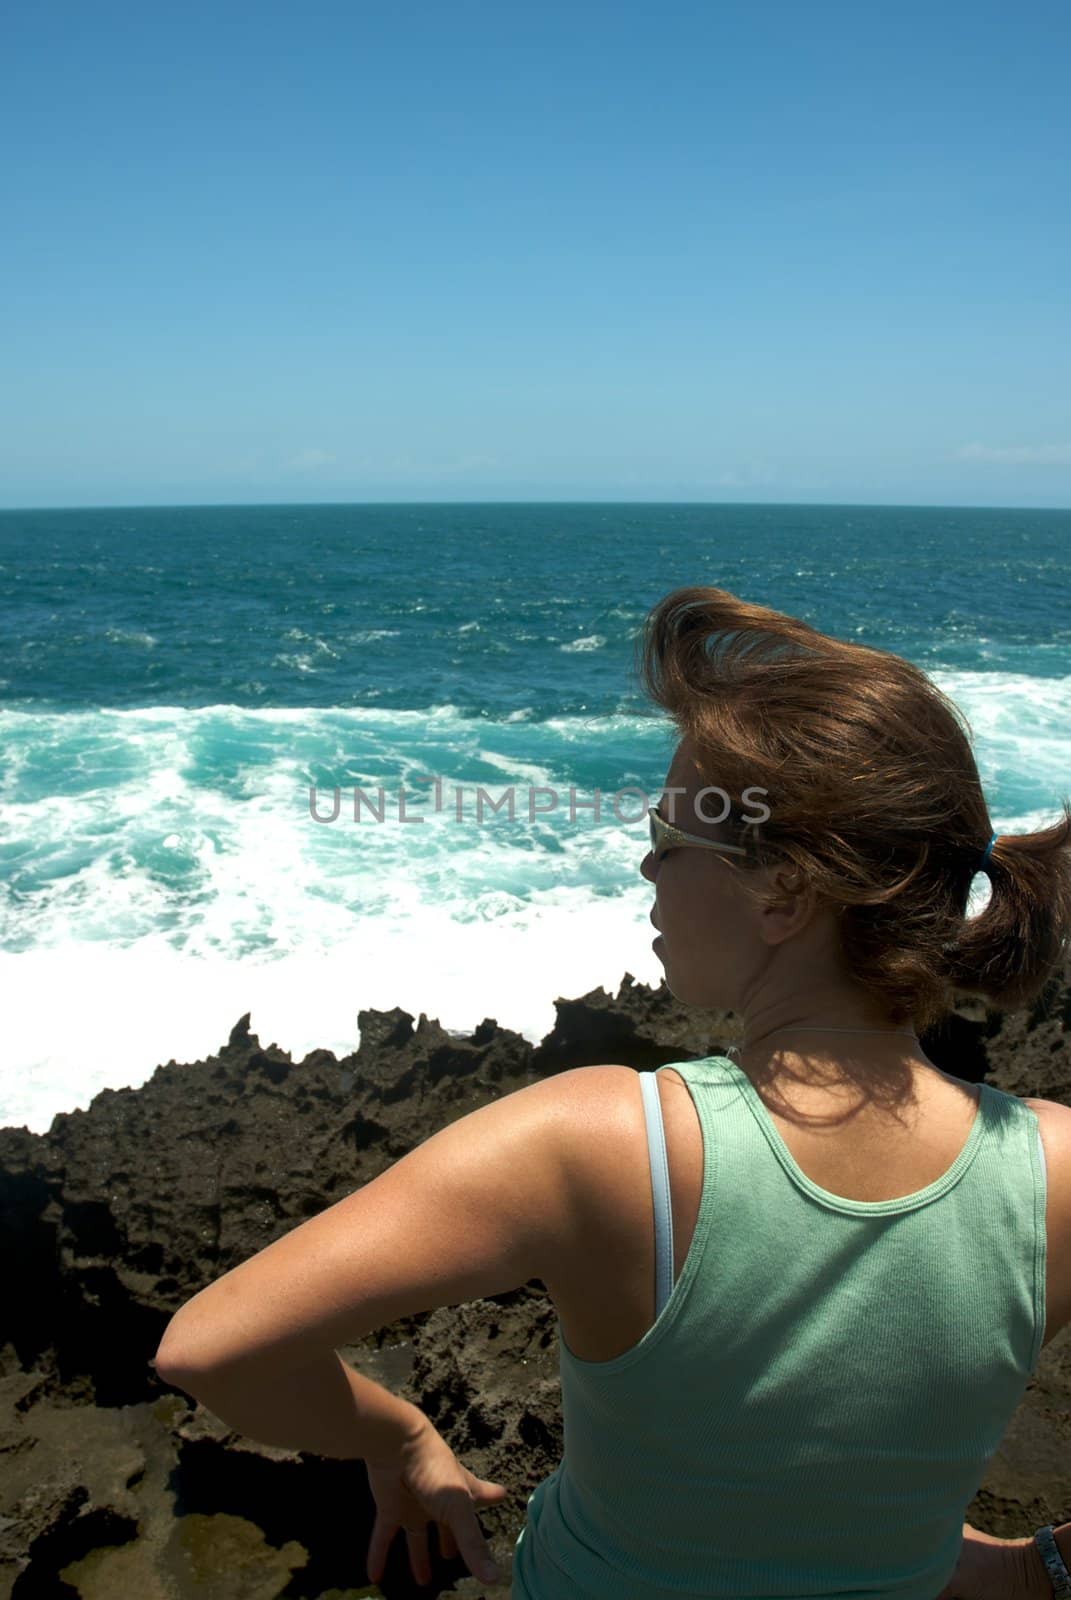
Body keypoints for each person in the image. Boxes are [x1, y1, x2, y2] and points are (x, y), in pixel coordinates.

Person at [155, 585, 1071, 1599]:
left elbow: (214, 1345)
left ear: (784, 892)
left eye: (669, 834)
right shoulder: (1055, 1174)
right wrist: (1036, 1569)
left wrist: (398, 1432)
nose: (645, 863)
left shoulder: (599, 1142)